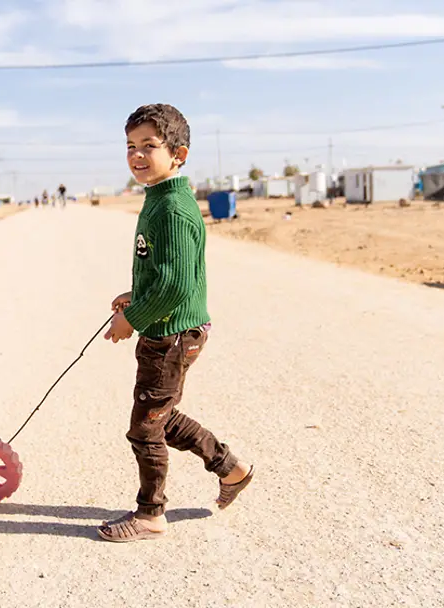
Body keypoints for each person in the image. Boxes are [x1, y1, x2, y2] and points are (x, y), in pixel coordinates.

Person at [98, 103, 254, 543]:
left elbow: (176, 286)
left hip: (171, 334)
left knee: (145, 427)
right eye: (130, 146)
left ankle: (150, 515)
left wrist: (132, 318)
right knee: (159, 415)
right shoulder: (160, 198)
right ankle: (231, 469)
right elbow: (163, 271)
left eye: (149, 145)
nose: (137, 155)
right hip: (169, 329)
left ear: (178, 154)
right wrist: (137, 295)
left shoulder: (171, 209)